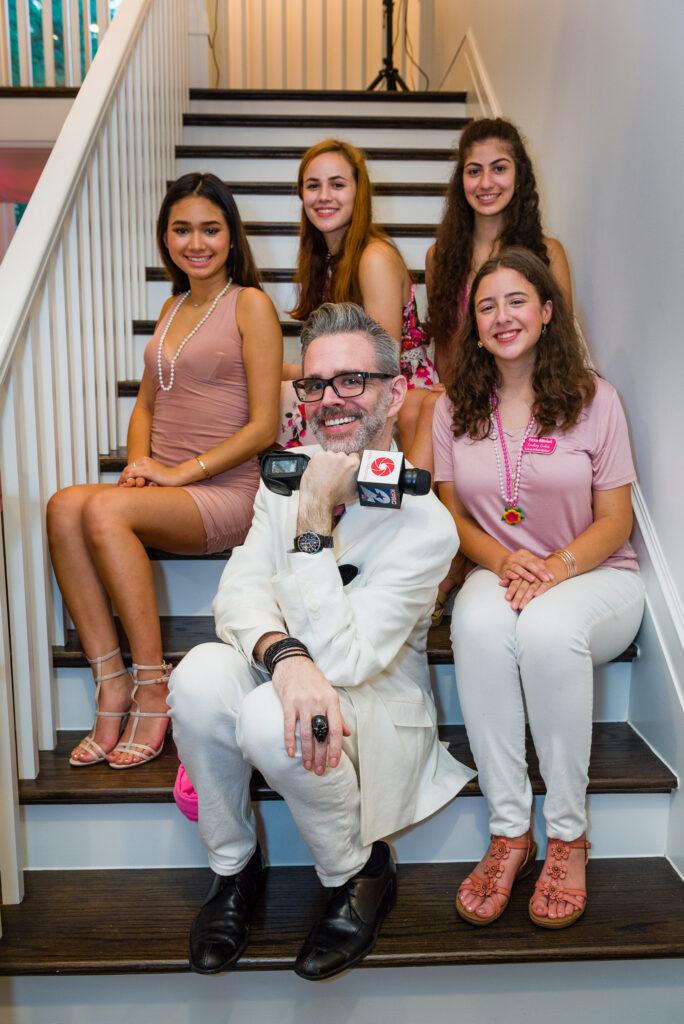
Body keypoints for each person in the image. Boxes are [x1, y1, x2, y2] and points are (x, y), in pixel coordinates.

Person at [169, 301, 474, 979]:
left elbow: (344, 660)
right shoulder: (285, 475)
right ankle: (233, 868)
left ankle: (357, 870)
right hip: (288, 670)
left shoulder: (427, 526)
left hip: (372, 699)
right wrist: (283, 657)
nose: (330, 399)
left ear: (395, 392)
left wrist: (312, 521)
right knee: (196, 676)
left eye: (352, 381)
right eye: (314, 383)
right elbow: (237, 595)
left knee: (268, 714)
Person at [432, 247, 644, 928]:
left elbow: (616, 521)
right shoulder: (453, 406)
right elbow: (450, 515)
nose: (502, 316)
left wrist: (555, 569)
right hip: (500, 572)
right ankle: (510, 833)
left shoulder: (595, 399)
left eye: (517, 301)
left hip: (596, 577)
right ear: (474, 325)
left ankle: (569, 835)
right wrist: (504, 561)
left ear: (548, 312)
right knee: (476, 624)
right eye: (487, 306)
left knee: (549, 631)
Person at [46, 172, 283, 769]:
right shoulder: (172, 306)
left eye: (210, 229)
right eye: (182, 229)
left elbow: (264, 428)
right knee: (63, 506)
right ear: (165, 236)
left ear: (232, 236)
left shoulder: (250, 305)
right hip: (169, 484)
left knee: (101, 510)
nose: (195, 243)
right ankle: (112, 683)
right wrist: (138, 466)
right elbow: (147, 406)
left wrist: (181, 473)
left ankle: (153, 688)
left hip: (226, 490)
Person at [410, 117, 574, 621]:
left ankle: (444, 569)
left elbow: (561, 342)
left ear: (519, 175)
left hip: (525, 393)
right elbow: (445, 348)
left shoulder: (547, 253)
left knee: (432, 411)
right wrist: (454, 395)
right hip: (466, 392)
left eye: (499, 168)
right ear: (460, 180)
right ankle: (437, 557)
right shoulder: (440, 256)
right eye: (473, 170)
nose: (485, 182)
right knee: (429, 406)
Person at [279, 139, 436, 450]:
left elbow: (379, 367)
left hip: (390, 397)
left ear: (358, 192)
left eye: (337, 184)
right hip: (348, 387)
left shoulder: (374, 258)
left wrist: (285, 371)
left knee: (272, 403)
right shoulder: (326, 259)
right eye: (313, 185)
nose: (324, 196)